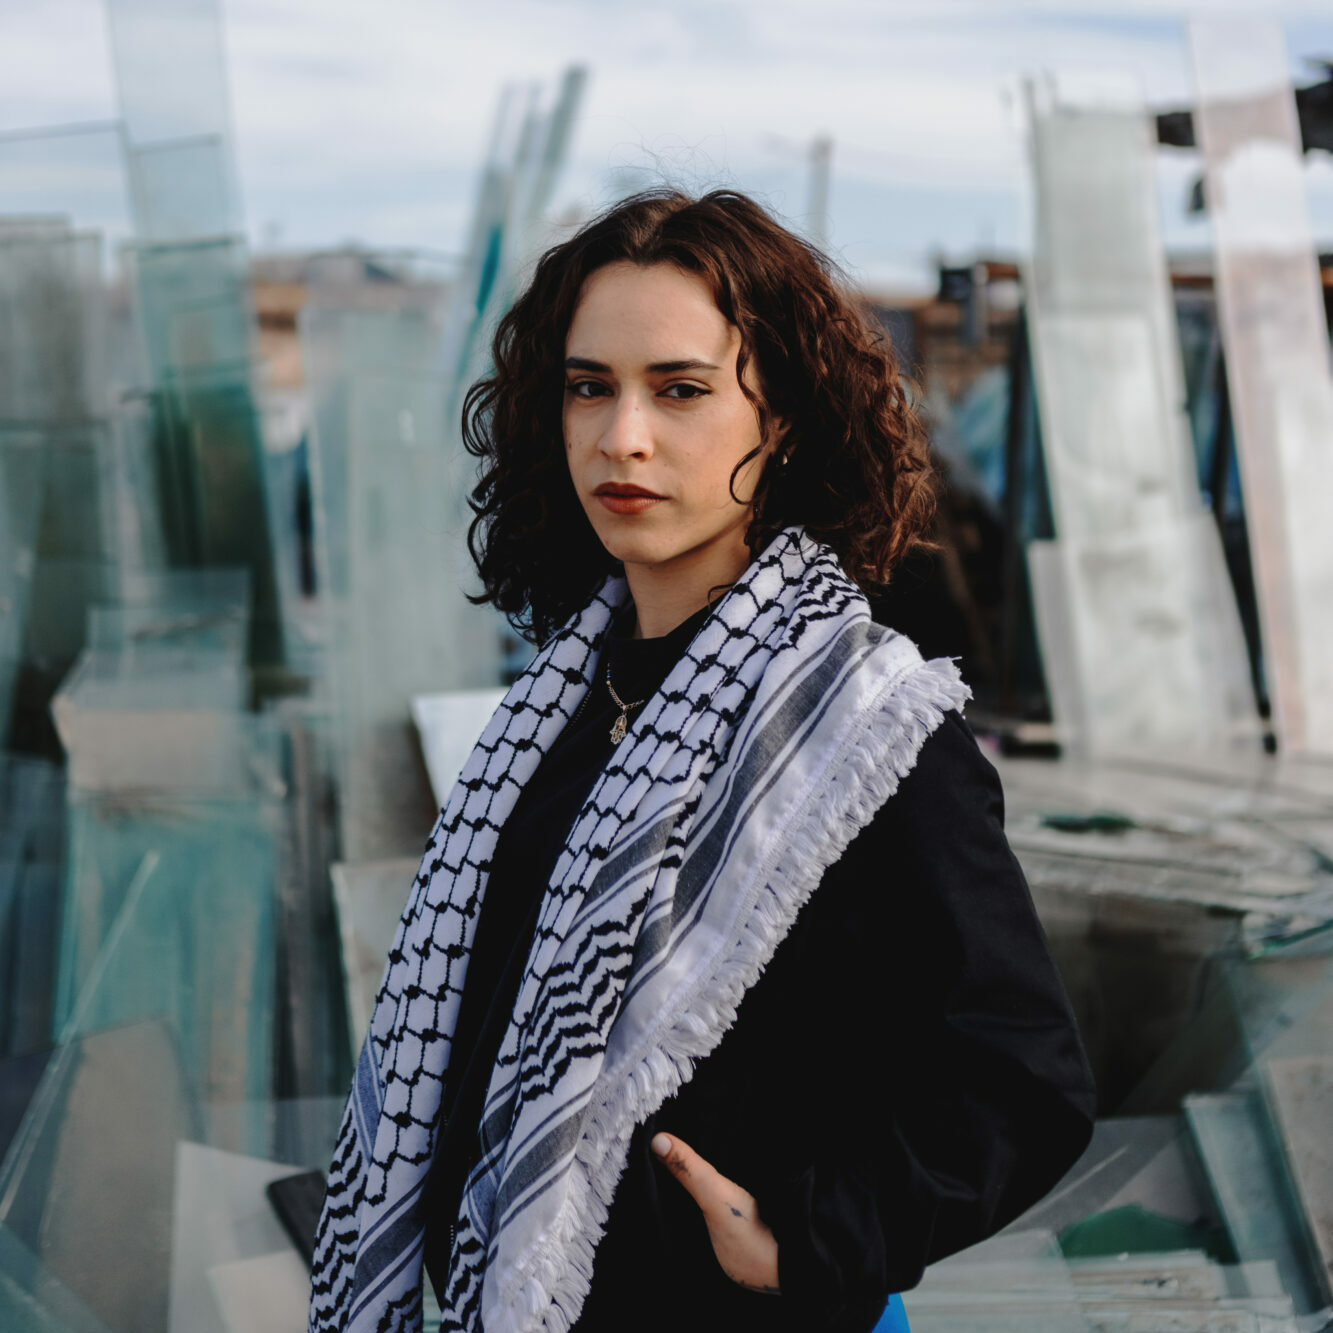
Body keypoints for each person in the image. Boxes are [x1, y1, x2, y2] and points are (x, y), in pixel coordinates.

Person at [308, 189, 1096, 1333]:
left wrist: (809, 1242)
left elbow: (1022, 1078)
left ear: (782, 421)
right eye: (589, 387)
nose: (622, 436)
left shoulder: (862, 731)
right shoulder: (554, 710)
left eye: (679, 390)